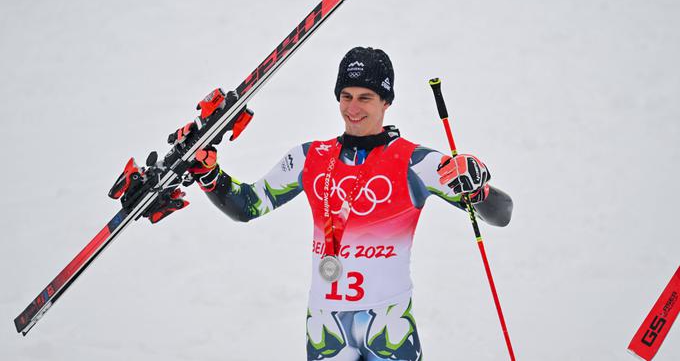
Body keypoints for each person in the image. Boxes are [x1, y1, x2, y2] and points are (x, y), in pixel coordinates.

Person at [149, 47, 513, 361]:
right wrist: (209, 173)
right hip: (325, 325)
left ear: (386, 102)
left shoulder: (416, 163)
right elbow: (247, 206)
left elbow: (502, 214)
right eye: (346, 96)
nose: (353, 108)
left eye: (366, 97)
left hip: (388, 323)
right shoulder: (310, 158)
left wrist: (478, 188)